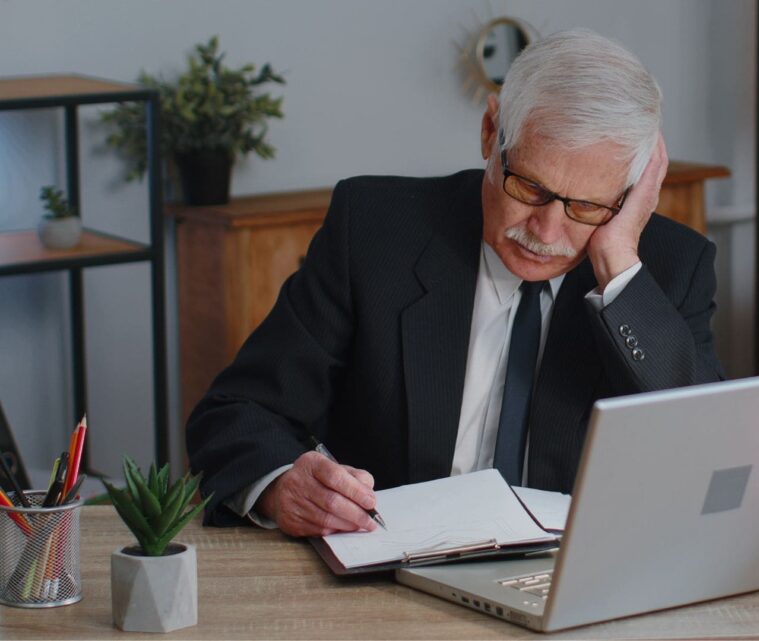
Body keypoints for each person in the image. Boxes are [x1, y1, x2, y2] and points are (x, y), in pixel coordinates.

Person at [186, 28, 724, 536]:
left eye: (586, 206)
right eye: (530, 188)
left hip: (575, 590)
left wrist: (619, 270)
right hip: (390, 581)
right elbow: (236, 413)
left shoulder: (667, 270)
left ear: (629, 197)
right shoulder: (375, 230)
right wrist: (283, 486)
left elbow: (707, 456)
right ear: (491, 132)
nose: (546, 231)